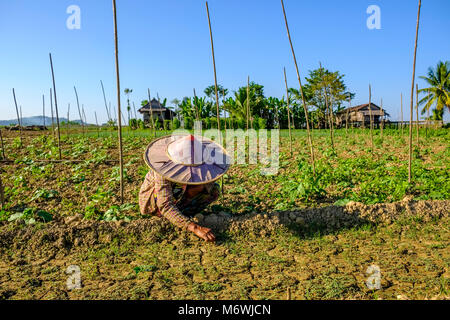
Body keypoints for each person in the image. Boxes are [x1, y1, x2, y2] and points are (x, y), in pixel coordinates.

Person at [139, 134, 230, 242]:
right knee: (184, 189)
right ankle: (169, 218)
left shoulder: (203, 165)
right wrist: (195, 228)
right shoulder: (163, 169)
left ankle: (181, 215)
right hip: (155, 204)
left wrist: (201, 187)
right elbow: (164, 204)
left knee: (212, 190)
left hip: (181, 199)